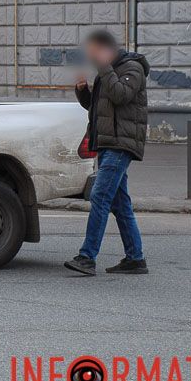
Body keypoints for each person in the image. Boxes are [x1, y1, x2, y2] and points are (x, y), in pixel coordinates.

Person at [65, 29, 150, 276]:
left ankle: (87, 257)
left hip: (120, 145)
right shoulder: (109, 71)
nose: (91, 57)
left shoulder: (132, 68)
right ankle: (135, 259)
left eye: (94, 52)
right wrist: (83, 91)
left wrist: (104, 67)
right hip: (107, 143)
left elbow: (121, 96)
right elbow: (98, 108)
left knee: (100, 197)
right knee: (120, 205)